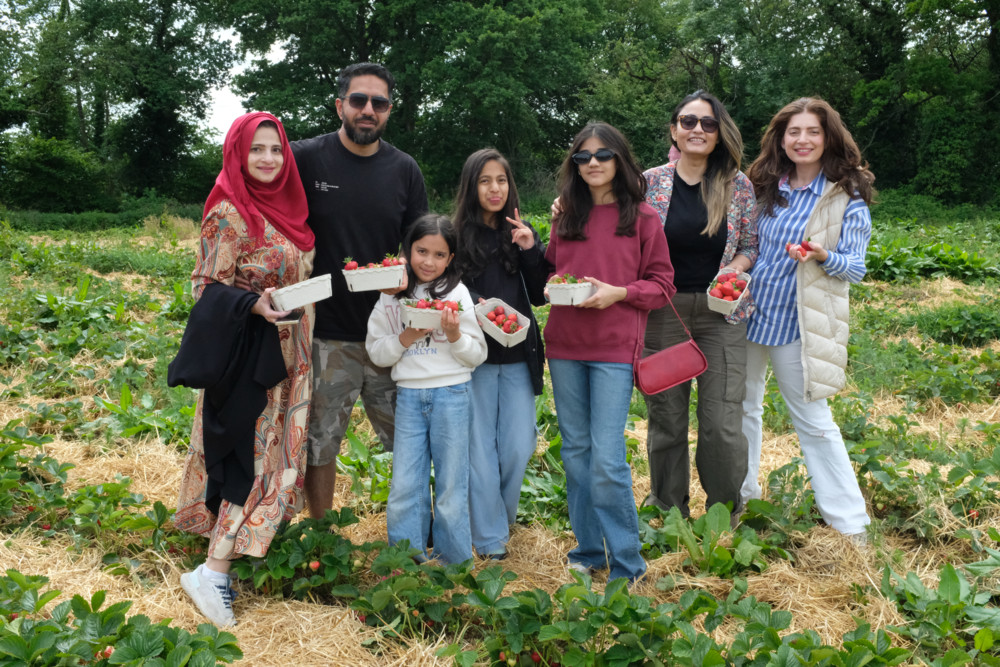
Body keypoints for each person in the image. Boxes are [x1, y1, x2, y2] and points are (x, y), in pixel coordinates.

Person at [172, 112, 315, 627]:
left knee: (276, 458)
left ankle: (225, 563)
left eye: (276, 149)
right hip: (252, 363)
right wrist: (253, 305)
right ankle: (212, 571)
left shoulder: (291, 209)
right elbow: (205, 287)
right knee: (250, 460)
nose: (269, 159)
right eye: (257, 149)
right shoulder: (228, 213)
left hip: (292, 360)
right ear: (237, 152)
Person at [291, 62, 429, 519]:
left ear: (389, 110)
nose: (368, 109)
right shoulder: (307, 158)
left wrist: (406, 270)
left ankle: (410, 528)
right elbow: (260, 188)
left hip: (389, 334)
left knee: (407, 438)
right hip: (325, 331)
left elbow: (420, 244)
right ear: (340, 105)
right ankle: (322, 533)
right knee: (321, 441)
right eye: (359, 100)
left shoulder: (404, 169)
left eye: (379, 102)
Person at [739, 97, 875, 542]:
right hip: (747, 314)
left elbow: (856, 266)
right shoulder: (765, 188)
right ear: (781, 138)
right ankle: (742, 499)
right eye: (793, 132)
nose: (802, 140)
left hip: (799, 323)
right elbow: (749, 247)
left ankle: (851, 526)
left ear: (828, 137)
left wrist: (822, 255)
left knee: (814, 421)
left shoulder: (845, 197)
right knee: (742, 410)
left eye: (812, 132)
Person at [545, 122, 675, 584]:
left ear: (620, 160)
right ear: (574, 166)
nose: (593, 163)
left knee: (606, 458)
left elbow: (662, 284)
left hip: (613, 351)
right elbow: (555, 273)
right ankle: (587, 551)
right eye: (583, 157)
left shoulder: (641, 218)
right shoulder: (566, 217)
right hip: (563, 346)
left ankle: (627, 562)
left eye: (602, 155)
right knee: (576, 453)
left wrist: (618, 292)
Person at [640, 91, 758, 522]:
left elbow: (750, 244)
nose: (697, 130)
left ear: (719, 132)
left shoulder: (736, 185)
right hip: (663, 312)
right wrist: (563, 206)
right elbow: (612, 223)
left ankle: (723, 514)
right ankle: (668, 511)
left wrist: (735, 268)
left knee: (722, 421)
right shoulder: (648, 183)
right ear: (674, 130)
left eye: (708, 124)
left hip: (721, 314)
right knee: (667, 416)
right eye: (688, 122)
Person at [366, 214, 487, 564]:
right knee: (405, 483)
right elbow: (377, 351)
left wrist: (454, 335)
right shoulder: (391, 296)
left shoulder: (457, 294)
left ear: (450, 259)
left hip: (452, 394)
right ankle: (408, 560)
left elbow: (476, 355)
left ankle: (453, 562)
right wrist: (405, 338)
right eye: (421, 251)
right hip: (409, 397)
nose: (428, 262)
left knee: (451, 484)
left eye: (438, 254)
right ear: (408, 251)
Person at [452, 149, 548, 559]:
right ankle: (490, 539)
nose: (495, 188)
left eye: (502, 180)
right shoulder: (454, 235)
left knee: (517, 447)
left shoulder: (521, 232)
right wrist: (478, 303)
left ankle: (498, 519)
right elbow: (444, 285)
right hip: (473, 357)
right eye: (485, 181)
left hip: (518, 352)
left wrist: (529, 248)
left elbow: (542, 289)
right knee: (478, 450)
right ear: (471, 187)